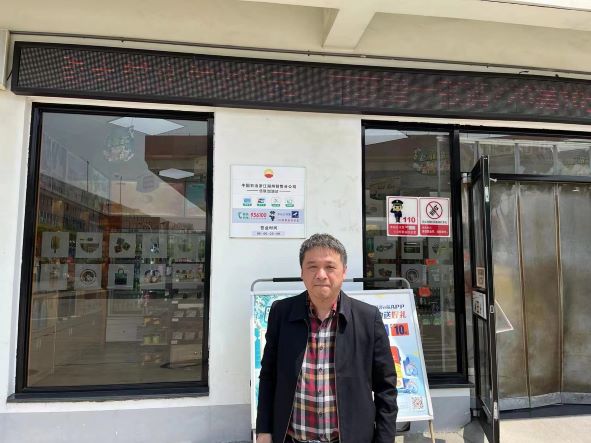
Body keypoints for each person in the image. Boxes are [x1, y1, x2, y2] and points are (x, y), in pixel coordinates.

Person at [256, 233, 398, 443]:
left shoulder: (368, 318)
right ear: (302, 272)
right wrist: (264, 430)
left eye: (330, 267)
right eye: (312, 266)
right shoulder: (281, 313)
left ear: (344, 271)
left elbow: (386, 388)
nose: (321, 275)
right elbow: (269, 376)